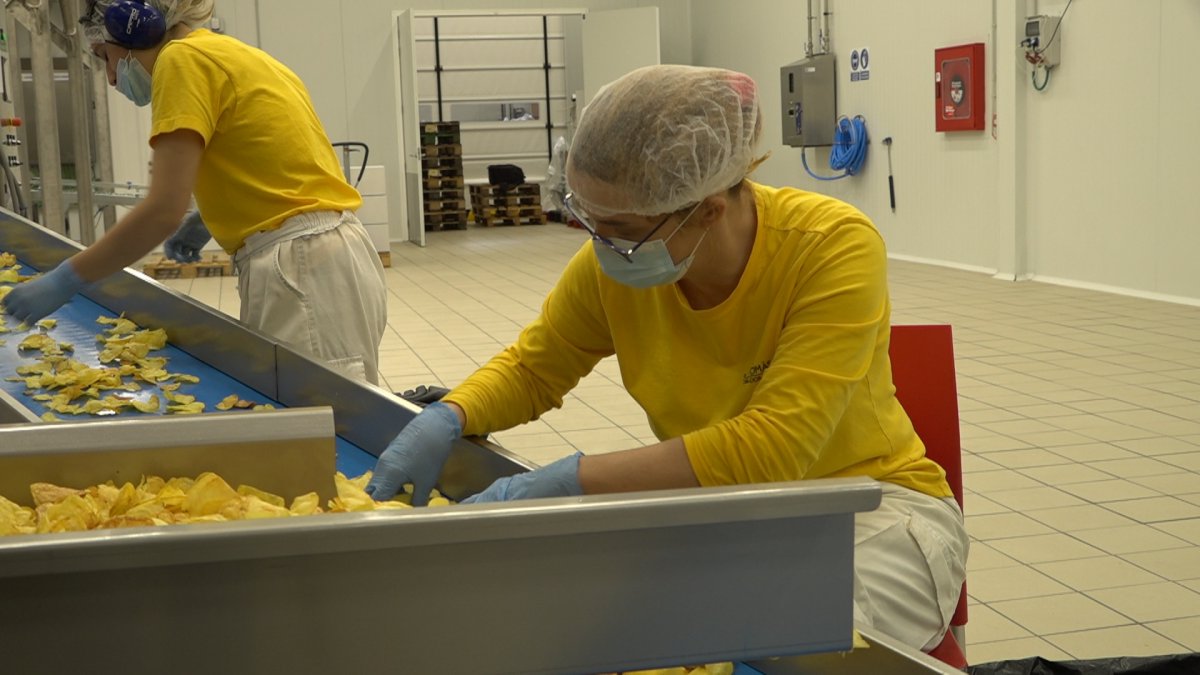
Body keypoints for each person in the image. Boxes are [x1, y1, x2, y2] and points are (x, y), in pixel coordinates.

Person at [365, 64, 968, 651]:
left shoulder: (830, 247)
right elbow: (534, 367)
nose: (601, 241)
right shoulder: (615, 267)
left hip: (870, 513)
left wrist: (571, 480)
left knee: (790, 636)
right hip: (723, 513)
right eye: (588, 219)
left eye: (621, 225)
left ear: (708, 207)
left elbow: (775, 448)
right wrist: (451, 415)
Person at [2, 0, 387, 384]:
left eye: (105, 57)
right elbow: (278, 158)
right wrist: (209, 218)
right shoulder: (236, 54)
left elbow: (160, 213)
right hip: (328, 255)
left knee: (318, 423)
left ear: (135, 27)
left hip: (302, 267)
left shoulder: (179, 61)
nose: (112, 78)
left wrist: (67, 278)